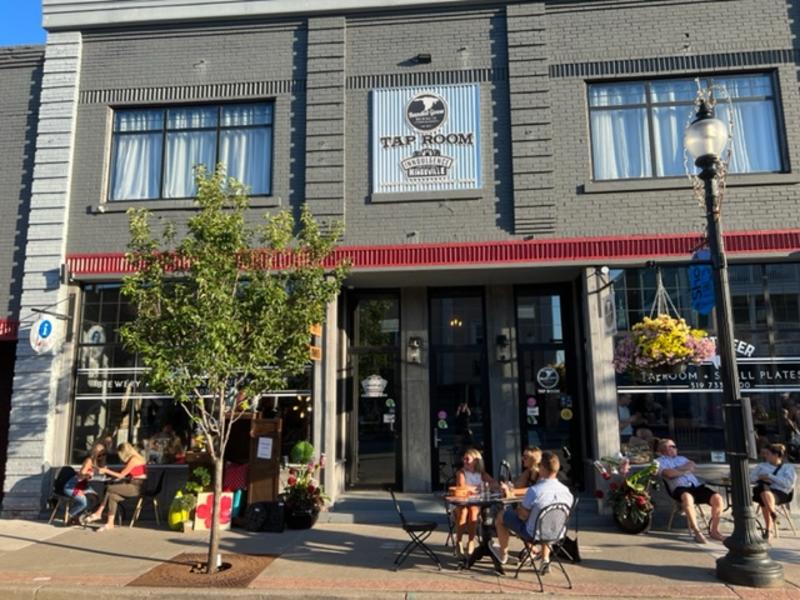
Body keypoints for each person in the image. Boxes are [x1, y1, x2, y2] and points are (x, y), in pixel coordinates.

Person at [491, 451, 573, 571]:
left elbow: (522, 516)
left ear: (542, 468)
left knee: (501, 517)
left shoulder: (535, 491)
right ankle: (545, 559)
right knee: (548, 522)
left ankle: (503, 555)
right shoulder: (566, 492)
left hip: (534, 534)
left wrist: (515, 503)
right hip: (557, 533)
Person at [656, 439, 724, 543]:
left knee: (717, 498)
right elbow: (669, 474)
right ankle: (697, 532)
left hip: (696, 486)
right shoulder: (659, 461)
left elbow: (692, 464)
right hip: (679, 489)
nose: (675, 448)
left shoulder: (682, 458)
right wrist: (684, 470)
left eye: (675, 446)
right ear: (664, 449)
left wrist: (677, 470)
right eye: (672, 446)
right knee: (687, 498)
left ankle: (714, 531)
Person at [84, 442, 147, 531]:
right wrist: (108, 471)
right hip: (136, 485)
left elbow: (121, 475)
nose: (120, 457)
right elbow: (124, 472)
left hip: (137, 487)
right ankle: (110, 523)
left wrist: (106, 470)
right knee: (112, 496)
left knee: (109, 488)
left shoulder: (134, 460)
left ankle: (98, 512)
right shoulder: (135, 459)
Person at [454, 448, 497, 558]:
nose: (465, 461)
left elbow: (494, 483)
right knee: (463, 511)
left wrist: (486, 486)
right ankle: (458, 541)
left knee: (473, 511)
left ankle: (471, 541)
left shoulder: (481, 473)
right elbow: (461, 487)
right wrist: (479, 487)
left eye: (467, 459)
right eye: (464, 459)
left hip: (476, 502)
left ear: (476, 461)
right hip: (462, 502)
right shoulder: (461, 473)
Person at [750, 443, 796, 540]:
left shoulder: (788, 468)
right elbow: (751, 478)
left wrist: (771, 477)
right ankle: (773, 514)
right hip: (764, 490)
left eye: (768, 454)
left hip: (780, 493)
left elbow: (788, 484)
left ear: (776, 455)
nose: (766, 456)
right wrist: (760, 477)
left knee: (763, 498)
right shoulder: (761, 466)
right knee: (762, 488)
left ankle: (769, 530)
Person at [62, 442, 105, 525]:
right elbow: (82, 473)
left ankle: (79, 516)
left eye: (104, 454)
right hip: (72, 486)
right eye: (100, 455)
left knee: (96, 498)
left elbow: (102, 470)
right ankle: (70, 515)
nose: (102, 457)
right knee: (84, 502)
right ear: (95, 454)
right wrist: (87, 475)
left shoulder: (98, 462)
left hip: (83, 486)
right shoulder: (89, 460)